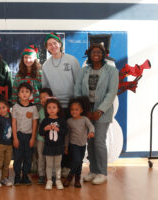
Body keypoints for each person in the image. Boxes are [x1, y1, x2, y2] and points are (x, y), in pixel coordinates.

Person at [74, 43, 118, 185]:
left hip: (102, 112)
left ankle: (102, 172)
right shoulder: (84, 71)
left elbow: (111, 93)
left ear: (104, 54)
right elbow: (77, 90)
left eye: (99, 52)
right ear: (89, 54)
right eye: (93, 52)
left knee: (99, 140)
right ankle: (92, 171)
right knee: (90, 141)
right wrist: (83, 109)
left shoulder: (111, 71)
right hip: (86, 110)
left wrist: (100, 111)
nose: (96, 54)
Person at [42, 32, 81, 177]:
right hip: (56, 108)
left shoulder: (71, 60)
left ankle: (70, 168)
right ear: (47, 48)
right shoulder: (45, 65)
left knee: (71, 137)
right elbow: (45, 87)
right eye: (49, 44)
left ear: (60, 44)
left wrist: (77, 103)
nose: (53, 46)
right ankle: (59, 167)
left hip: (72, 105)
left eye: (55, 43)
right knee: (58, 137)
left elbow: (78, 81)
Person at [63, 96, 95, 188]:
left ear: (81, 110)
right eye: (72, 109)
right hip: (73, 145)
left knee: (79, 162)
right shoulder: (69, 121)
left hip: (83, 144)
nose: (74, 111)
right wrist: (66, 146)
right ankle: (70, 176)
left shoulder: (84, 119)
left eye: (76, 109)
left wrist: (91, 132)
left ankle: (77, 179)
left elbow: (91, 126)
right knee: (77, 160)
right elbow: (67, 135)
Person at [12, 82, 39, 186]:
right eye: (22, 91)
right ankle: (17, 176)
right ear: (18, 94)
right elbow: (13, 123)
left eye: (27, 92)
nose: (24, 94)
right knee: (18, 157)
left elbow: (35, 123)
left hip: (29, 136)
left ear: (30, 94)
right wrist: (15, 138)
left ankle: (25, 176)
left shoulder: (33, 108)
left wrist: (33, 138)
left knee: (28, 157)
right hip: (18, 135)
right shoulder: (15, 107)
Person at [39, 98, 67, 190]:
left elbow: (65, 131)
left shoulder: (62, 120)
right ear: (46, 109)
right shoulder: (45, 121)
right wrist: (45, 129)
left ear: (58, 109)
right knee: (49, 165)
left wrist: (58, 129)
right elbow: (40, 132)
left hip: (58, 146)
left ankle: (58, 180)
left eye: (54, 107)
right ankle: (49, 180)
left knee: (58, 165)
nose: (51, 109)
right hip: (48, 146)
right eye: (49, 107)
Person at [0, 97, 13, 188]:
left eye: (3, 107)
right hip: (0, 144)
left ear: (7, 107)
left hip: (9, 144)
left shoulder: (11, 117)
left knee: (7, 162)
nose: (2, 110)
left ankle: (4, 178)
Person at [36, 88, 53, 185]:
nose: (43, 99)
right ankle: (41, 175)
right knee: (41, 157)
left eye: (45, 97)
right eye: (41, 97)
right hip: (41, 139)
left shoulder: (54, 109)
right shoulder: (40, 110)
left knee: (50, 157)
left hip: (52, 139)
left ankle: (50, 175)